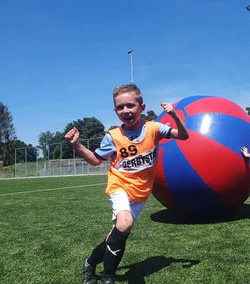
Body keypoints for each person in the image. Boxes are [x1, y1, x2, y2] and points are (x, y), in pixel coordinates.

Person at [65, 84, 189, 284]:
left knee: (117, 235)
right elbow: (96, 160)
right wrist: (77, 145)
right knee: (125, 223)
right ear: (115, 111)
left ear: (141, 107)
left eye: (130, 106)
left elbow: (183, 136)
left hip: (141, 194)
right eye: (120, 108)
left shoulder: (154, 129)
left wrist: (174, 115)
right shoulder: (112, 136)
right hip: (120, 186)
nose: (126, 111)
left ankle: (90, 263)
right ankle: (108, 277)